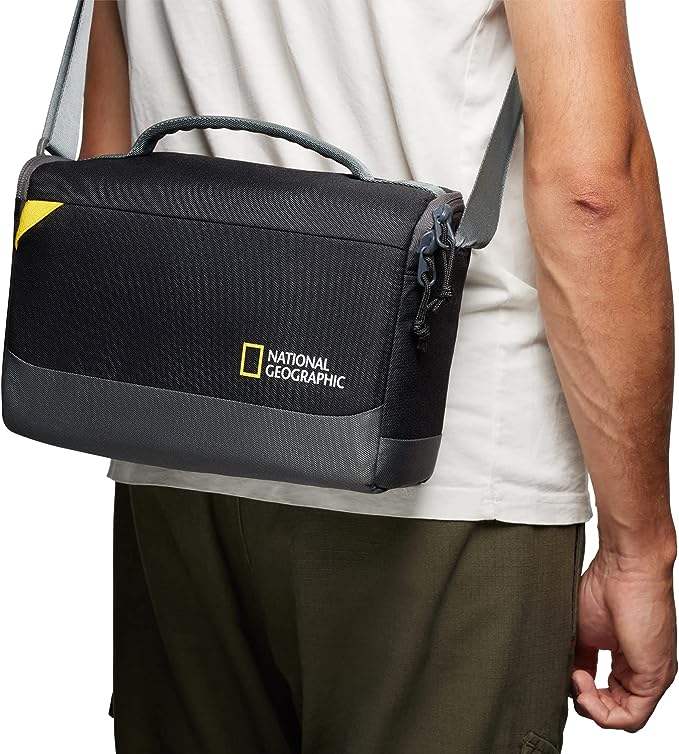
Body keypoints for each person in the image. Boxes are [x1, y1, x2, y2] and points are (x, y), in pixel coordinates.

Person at [81, 1, 676, 752]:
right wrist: (636, 551)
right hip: (450, 465)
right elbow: (591, 192)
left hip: (182, 431)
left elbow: (106, 153)